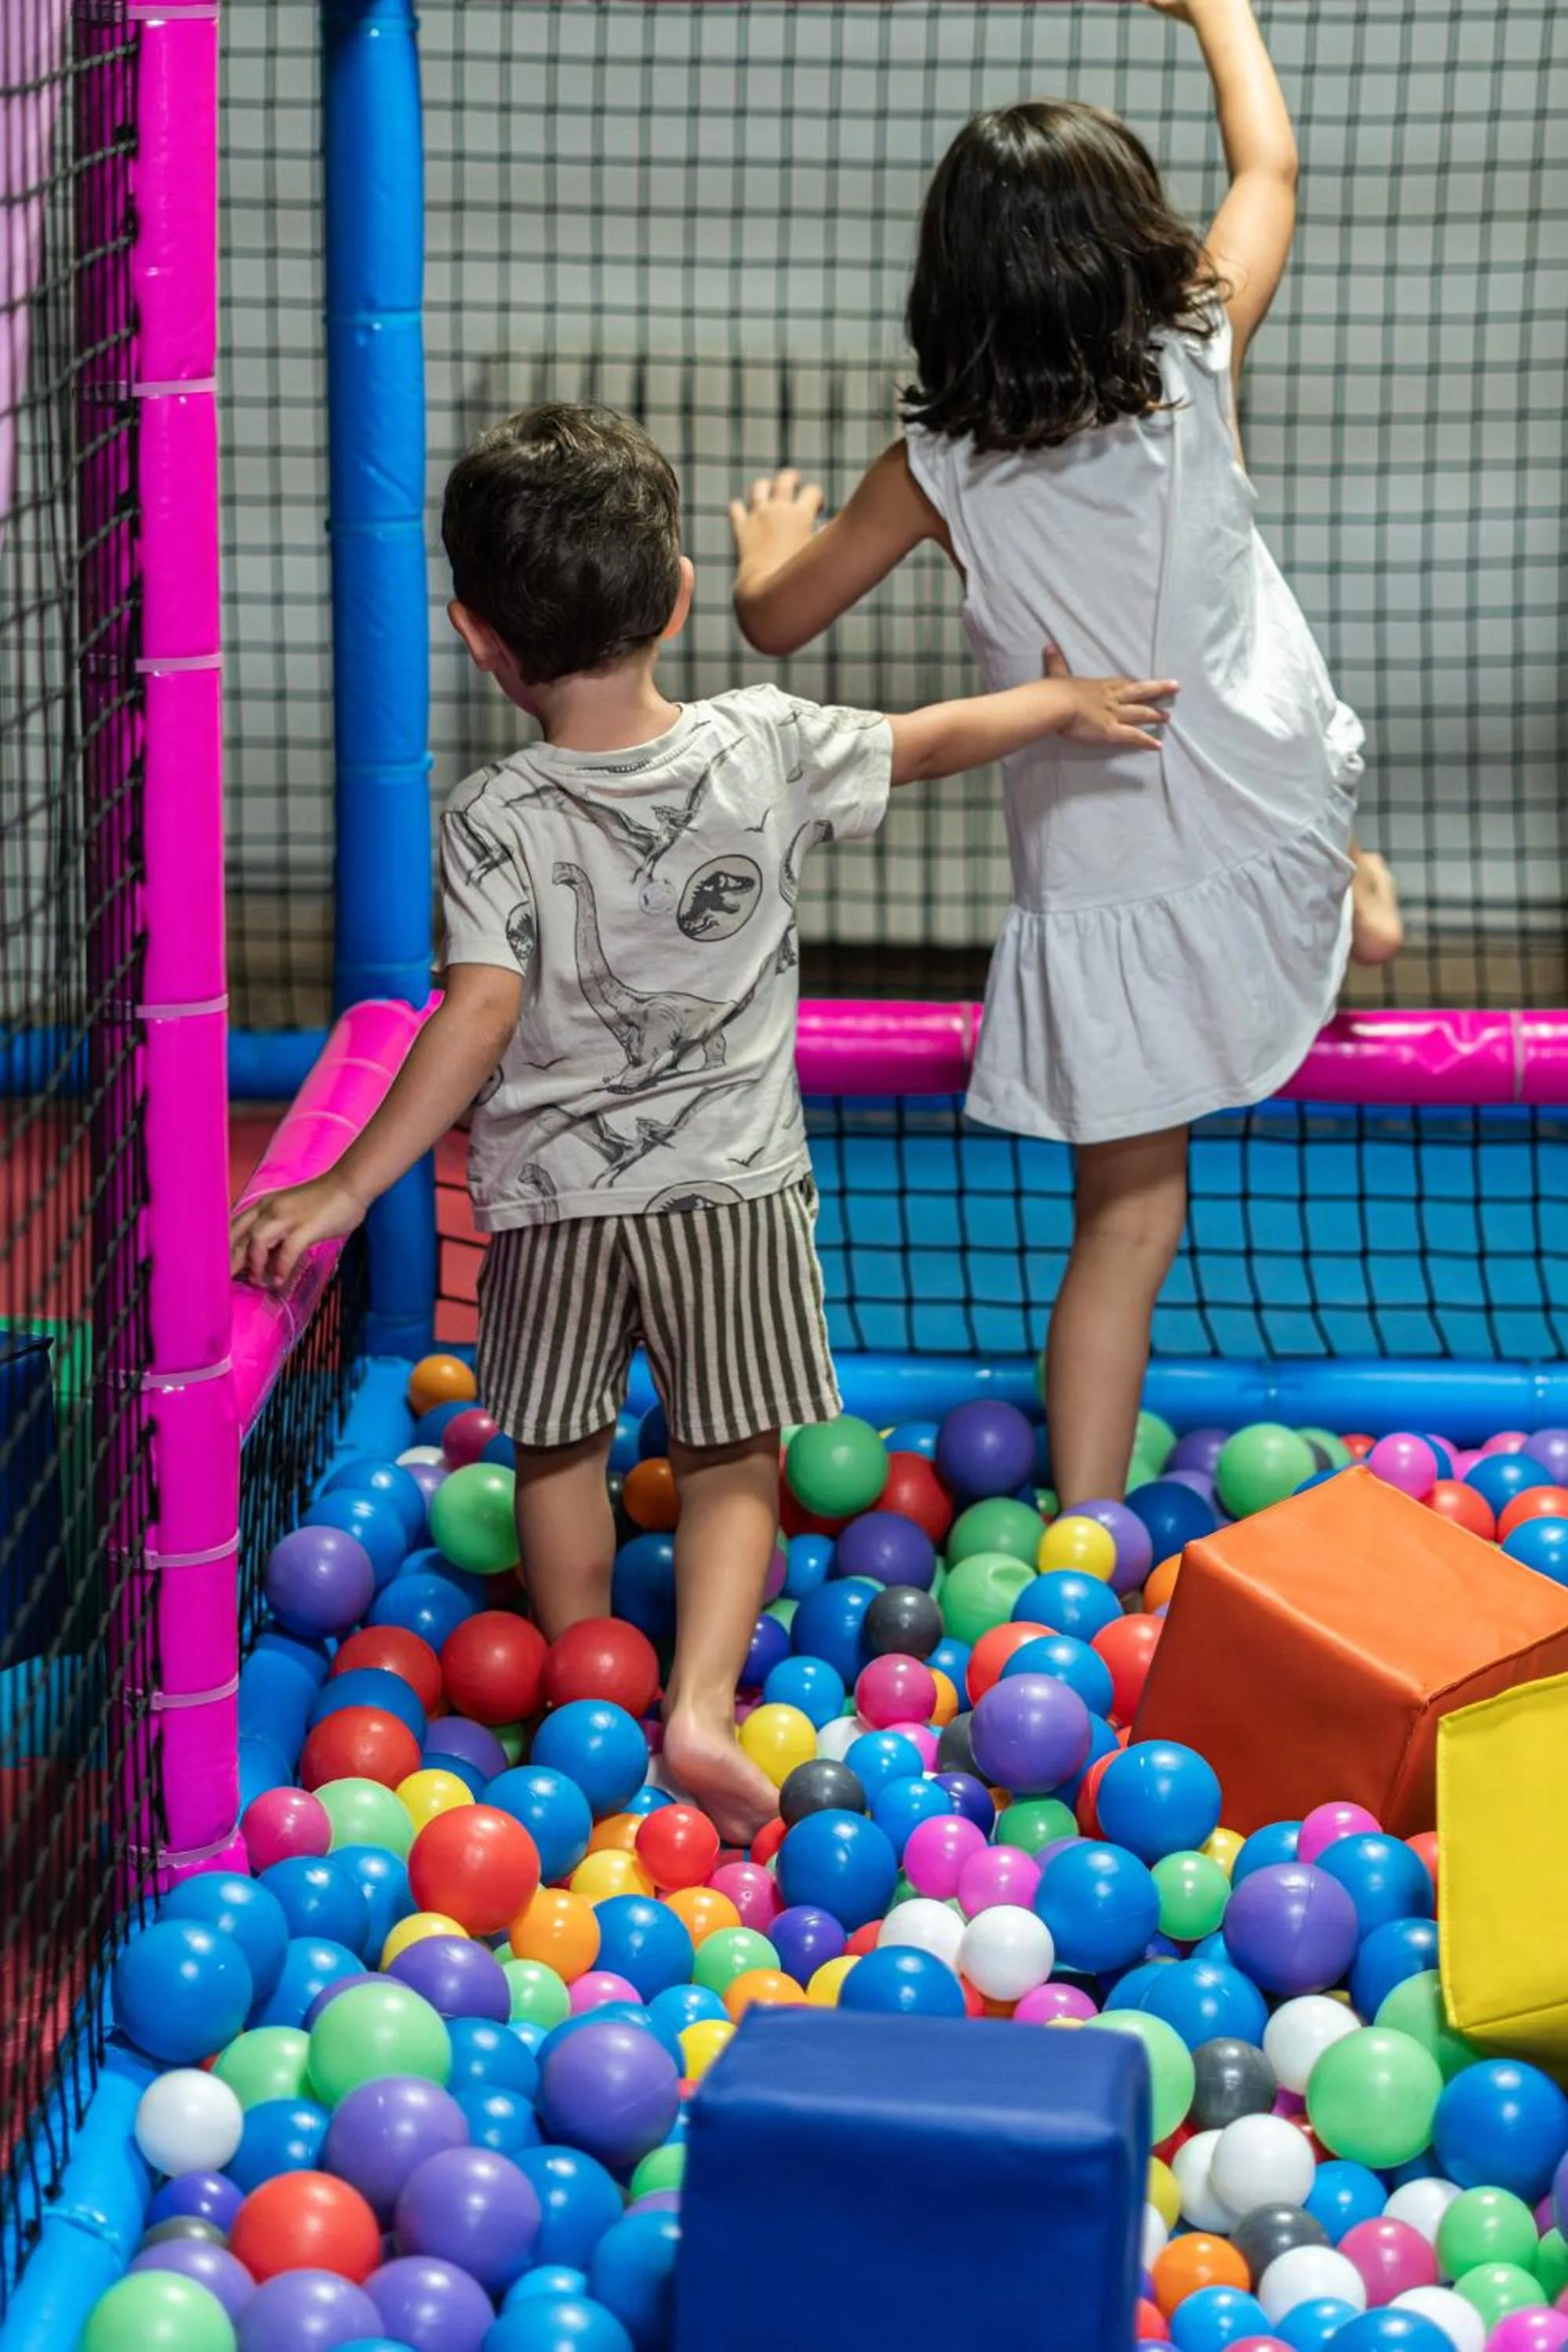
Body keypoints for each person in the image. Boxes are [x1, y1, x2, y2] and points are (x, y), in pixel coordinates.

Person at [231, 401, 1175, 1839]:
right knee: (736, 1447)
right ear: (679, 596)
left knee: (554, 1443)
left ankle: (587, 1703)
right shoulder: (763, 742)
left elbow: (473, 1018)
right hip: (734, 1190)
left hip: (550, 1200)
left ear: (481, 640)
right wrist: (1058, 704)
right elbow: (923, 743)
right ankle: (698, 1707)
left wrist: (353, 1188)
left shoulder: (490, 813)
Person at [729, 0, 1403, 1515]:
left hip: (1111, 873)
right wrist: (1219, 11)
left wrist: (767, 545)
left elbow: (779, 625)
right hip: (1274, 792)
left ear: (953, 289)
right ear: (1137, 252)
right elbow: (1273, 167)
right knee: (1311, 859)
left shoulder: (937, 465)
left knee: (1126, 1218)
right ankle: (1352, 893)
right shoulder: (1193, 359)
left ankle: (1084, 1529)